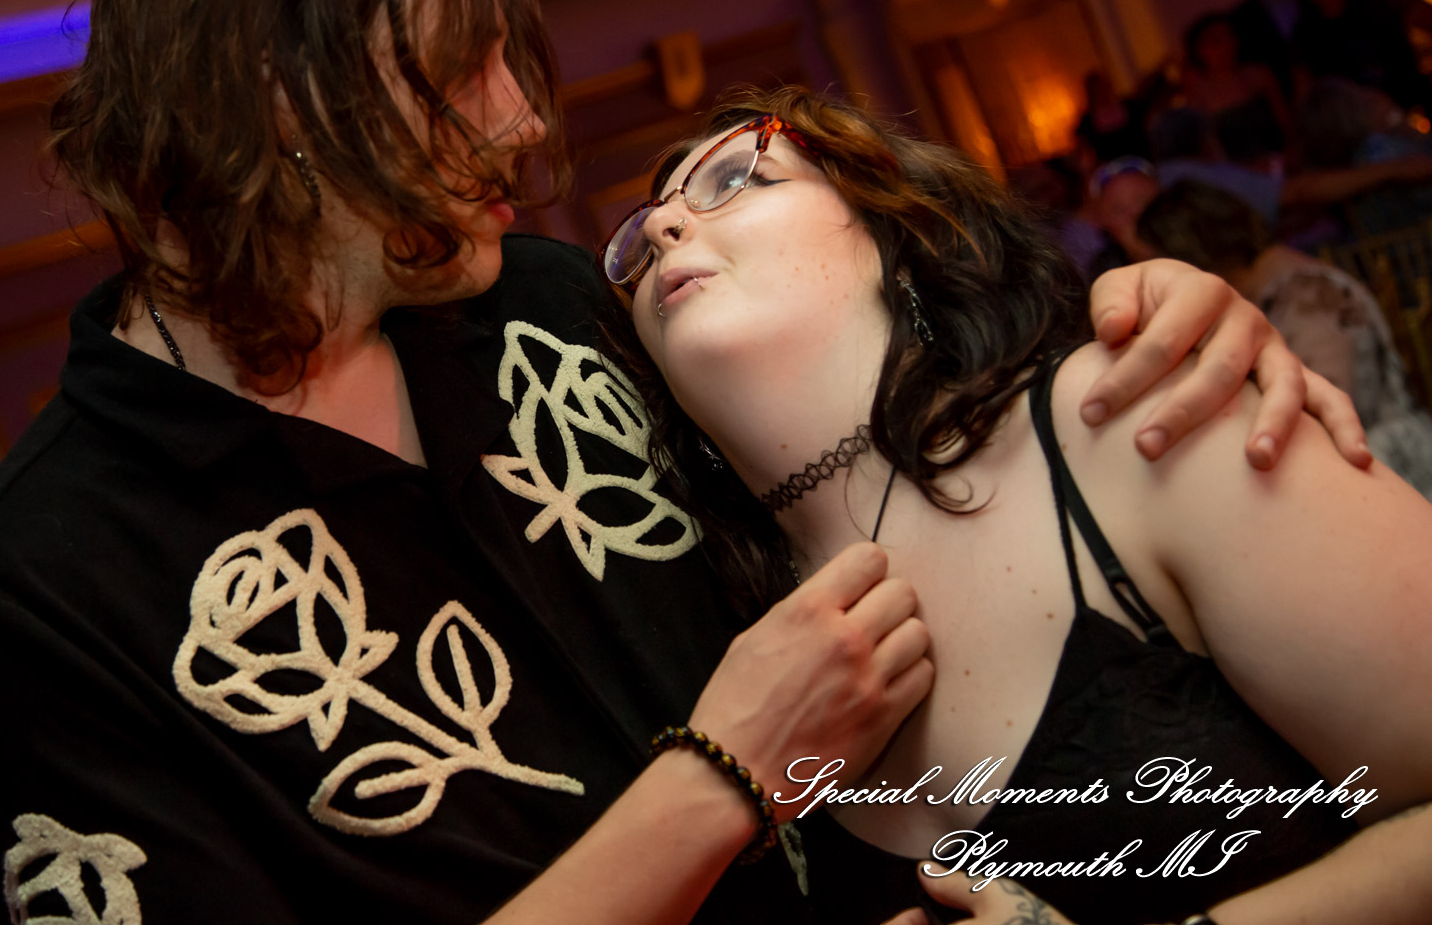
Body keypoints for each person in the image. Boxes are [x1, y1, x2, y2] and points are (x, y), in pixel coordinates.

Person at [0, 0, 1371, 925]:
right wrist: (722, 774)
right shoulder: (50, 585)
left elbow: (892, 453)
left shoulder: (549, 309)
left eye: (514, 57)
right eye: (459, 68)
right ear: (278, 91)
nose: (522, 127)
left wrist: (1172, 321)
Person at [599, 86, 1432, 925]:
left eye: (739, 179)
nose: (666, 228)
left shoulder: (1133, 418)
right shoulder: (716, 643)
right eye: (643, 230)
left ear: (895, 233)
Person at [1138, 180, 1432, 499]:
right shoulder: (1270, 290)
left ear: (1191, 253)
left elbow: (1336, 404)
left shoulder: (1305, 293)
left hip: (1391, 469)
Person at [1293, 0, 1432, 114]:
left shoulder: (1381, 0)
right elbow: (1305, 91)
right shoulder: (1306, 34)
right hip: (1358, 129)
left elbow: (1424, 16)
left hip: (1413, 109)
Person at [1180, 12, 1294, 169]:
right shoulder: (1198, 94)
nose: (1226, 45)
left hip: (1282, 162)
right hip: (1240, 174)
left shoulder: (1259, 75)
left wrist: (1287, 157)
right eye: (1215, 41)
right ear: (1199, 50)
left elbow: (1287, 123)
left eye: (1229, 37)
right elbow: (1208, 148)